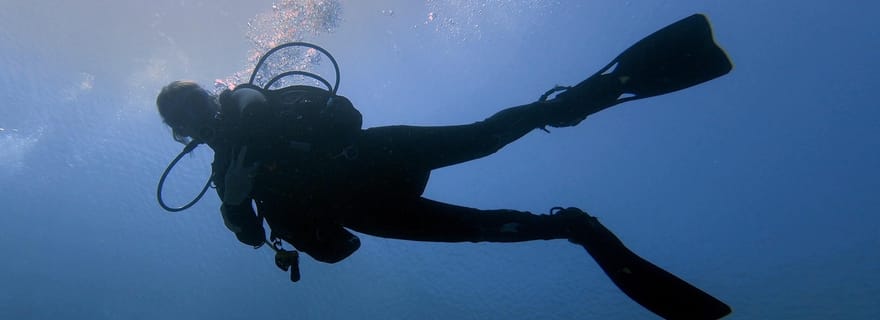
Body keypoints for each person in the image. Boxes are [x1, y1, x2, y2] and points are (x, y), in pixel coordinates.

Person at [156, 14, 733, 319]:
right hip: (361, 207)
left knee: (485, 137)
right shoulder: (224, 173)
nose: (198, 115)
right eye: (185, 115)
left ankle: (588, 96)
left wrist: (261, 110)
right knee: (475, 227)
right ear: (183, 132)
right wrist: (233, 198)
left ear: (210, 96)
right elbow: (254, 237)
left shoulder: (256, 100)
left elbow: (343, 115)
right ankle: (572, 227)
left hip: (368, 156)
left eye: (196, 100)